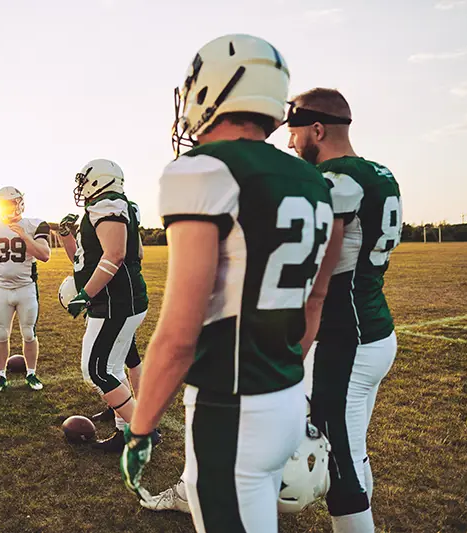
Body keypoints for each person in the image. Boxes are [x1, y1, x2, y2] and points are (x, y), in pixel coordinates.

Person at [120, 34, 343, 532]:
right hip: (286, 395)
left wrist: (140, 431)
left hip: (231, 404)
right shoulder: (315, 181)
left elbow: (180, 334)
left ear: (213, 90)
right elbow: (317, 300)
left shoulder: (205, 170)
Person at [287, 88, 402, 533]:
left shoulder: (335, 181)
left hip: (345, 339)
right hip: (374, 328)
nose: (293, 145)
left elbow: (315, 277)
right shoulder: (380, 173)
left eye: (296, 134)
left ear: (318, 129)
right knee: (352, 448)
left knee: (339, 461)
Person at [59, 159, 150, 452]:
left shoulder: (108, 205)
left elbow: (116, 254)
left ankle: (142, 432)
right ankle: (125, 431)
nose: (81, 186)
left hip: (115, 302)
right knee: (111, 367)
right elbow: (85, 259)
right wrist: (66, 237)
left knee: (96, 371)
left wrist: (86, 294)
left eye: (85, 180)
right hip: (116, 300)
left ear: (98, 180)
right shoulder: (118, 206)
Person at [0, 186, 51, 392]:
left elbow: (44, 254)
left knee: (29, 333)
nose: (7, 208)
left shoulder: (35, 224)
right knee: (1, 335)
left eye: (10, 203)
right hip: (1, 289)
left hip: (26, 288)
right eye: (3, 204)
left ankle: (31, 373)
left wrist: (23, 236)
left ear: (19, 203)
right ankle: (0, 376)